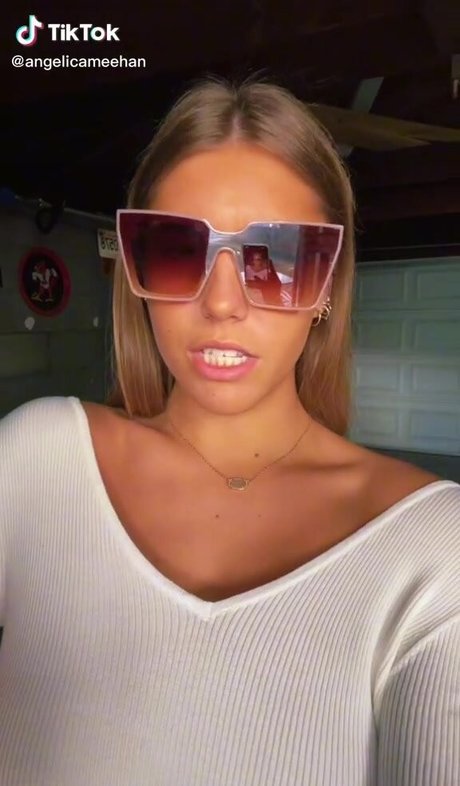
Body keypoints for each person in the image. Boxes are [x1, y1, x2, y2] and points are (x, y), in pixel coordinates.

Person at [0, 79, 458, 786]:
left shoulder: (434, 551)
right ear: (137, 275)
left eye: (277, 257)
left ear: (325, 287)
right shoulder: (37, 458)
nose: (221, 304)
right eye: (175, 249)